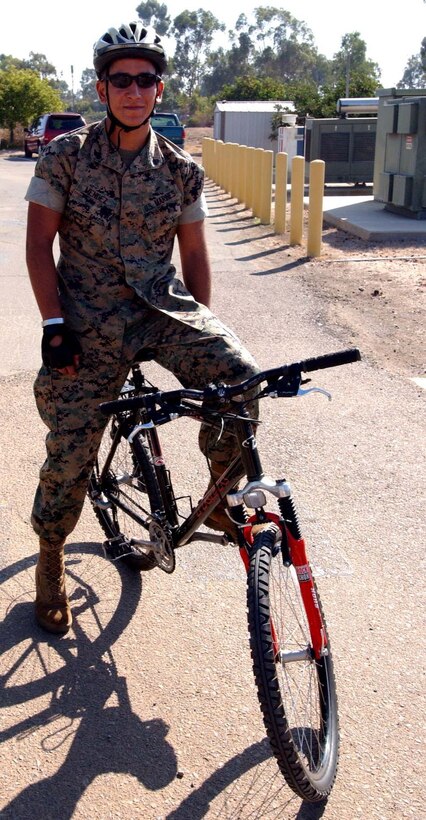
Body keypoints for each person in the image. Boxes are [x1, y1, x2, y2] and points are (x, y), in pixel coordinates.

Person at [25, 22, 259, 636]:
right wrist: (54, 324)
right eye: (121, 79)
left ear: (159, 89)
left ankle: (217, 495)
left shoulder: (182, 170)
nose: (134, 89)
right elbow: (37, 247)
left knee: (238, 378)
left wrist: (201, 323)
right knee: (72, 444)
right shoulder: (65, 156)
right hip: (86, 317)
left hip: (158, 309)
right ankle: (51, 557)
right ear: (103, 88)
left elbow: (196, 257)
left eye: (145, 79)